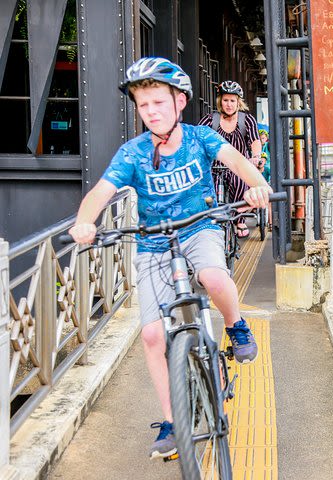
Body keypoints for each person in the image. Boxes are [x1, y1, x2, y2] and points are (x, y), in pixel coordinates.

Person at [66, 57, 272, 460]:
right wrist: (84, 223)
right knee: (152, 334)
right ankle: (172, 420)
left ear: (180, 102)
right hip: (154, 242)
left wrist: (258, 186)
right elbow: (100, 193)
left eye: (159, 102)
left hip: (200, 227)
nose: (151, 112)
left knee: (213, 277)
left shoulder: (200, 138)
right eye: (143, 106)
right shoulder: (134, 153)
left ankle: (236, 325)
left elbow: (238, 163)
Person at [199, 80, 262, 238]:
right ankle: (211, 220)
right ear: (220, 101)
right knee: (206, 190)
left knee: (240, 183)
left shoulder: (246, 120)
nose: (229, 104)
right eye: (225, 100)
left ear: (238, 102)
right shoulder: (210, 120)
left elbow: (255, 141)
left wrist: (255, 157)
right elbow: (197, 139)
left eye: (232, 101)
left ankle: (238, 219)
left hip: (238, 166)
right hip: (214, 166)